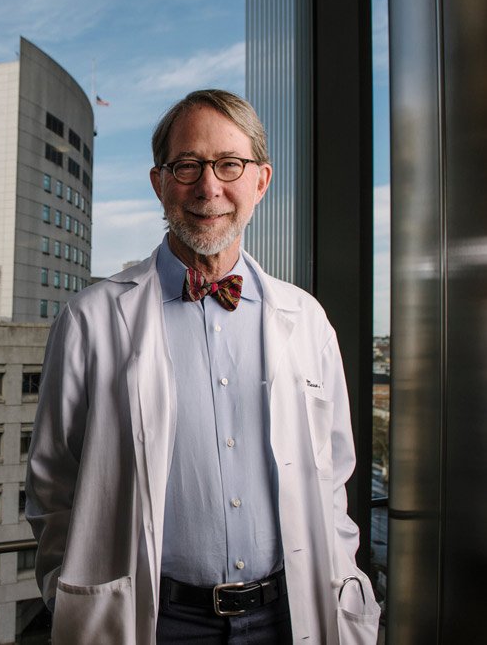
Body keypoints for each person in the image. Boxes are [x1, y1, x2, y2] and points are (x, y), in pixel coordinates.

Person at [25, 89, 381, 644]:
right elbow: (52, 488)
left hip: (289, 617)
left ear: (260, 182)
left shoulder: (306, 319)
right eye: (188, 165)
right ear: (159, 183)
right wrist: (69, 593)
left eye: (229, 164)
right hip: (153, 621)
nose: (209, 187)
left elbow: (333, 476)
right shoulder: (89, 320)